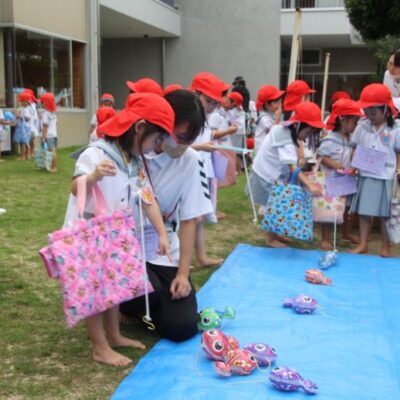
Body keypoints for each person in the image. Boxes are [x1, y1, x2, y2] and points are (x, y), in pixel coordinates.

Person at [64, 93, 174, 367]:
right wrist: (93, 176)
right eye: (156, 138)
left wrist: (161, 233)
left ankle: (113, 335)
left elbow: (147, 197)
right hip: (90, 233)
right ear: (139, 128)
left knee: (113, 286)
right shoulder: (96, 153)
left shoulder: (134, 162)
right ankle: (99, 346)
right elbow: (75, 187)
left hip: (114, 235)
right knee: (94, 291)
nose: (156, 146)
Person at [121, 89, 213, 342]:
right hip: (124, 246)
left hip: (162, 250)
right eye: (181, 136)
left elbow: (189, 218)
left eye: (191, 138)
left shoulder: (191, 160)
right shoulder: (131, 151)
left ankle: (148, 307)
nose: (184, 145)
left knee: (182, 327)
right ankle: (129, 306)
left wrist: (183, 273)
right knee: (146, 293)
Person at [248, 102, 323, 248]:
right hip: (268, 175)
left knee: (277, 203)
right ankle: (271, 238)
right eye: (307, 132)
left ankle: (276, 234)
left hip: (268, 172)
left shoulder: (284, 130)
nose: (307, 136)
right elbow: (293, 167)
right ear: (297, 125)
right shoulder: (286, 141)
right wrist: (309, 184)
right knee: (274, 204)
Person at [350, 83, 400, 257]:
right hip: (366, 174)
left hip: (386, 175)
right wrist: (353, 165)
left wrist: (399, 169)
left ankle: (386, 246)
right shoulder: (362, 126)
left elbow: (398, 151)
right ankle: (363, 243)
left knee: (385, 214)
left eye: (374, 112)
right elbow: (355, 147)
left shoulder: (395, 129)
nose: (370, 116)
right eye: (367, 112)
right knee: (365, 211)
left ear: (386, 109)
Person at [190, 72, 228, 267]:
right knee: (191, 218)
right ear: (196, 94)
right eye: (208, 101)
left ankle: (201, 257)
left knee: (199, 217)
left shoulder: (203, 117)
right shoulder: (189, 117)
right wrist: (202, 147)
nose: (212, 106)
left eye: (215, 103)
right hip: (187, 172)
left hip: (201, 170)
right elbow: (176, 149)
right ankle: (183, 260)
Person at [317, 98, 363, 250]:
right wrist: (335, 165)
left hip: (346, 180)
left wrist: (354, 165)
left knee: (347, 208)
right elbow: (321, 157)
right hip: (331, 182)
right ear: (343, 120)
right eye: (354, 122)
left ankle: (346, 233)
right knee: (329, 211)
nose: (356, 125)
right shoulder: (329, 140)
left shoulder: (350, 139)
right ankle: (325, 238)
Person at [254, 85, 285, 153]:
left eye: (280, 101)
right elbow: (273, 132)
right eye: (277, 102)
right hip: (262, 152)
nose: (280, 105)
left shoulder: (272, 115)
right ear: (267, 105)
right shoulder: (264, 118)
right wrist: (277, 118)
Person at [40, 93, 58, 173]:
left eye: (43, 102)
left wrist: (43, 137)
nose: (41, 103)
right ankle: (49, 165)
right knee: (51, 151)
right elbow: (56, 123)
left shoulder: (46, 114)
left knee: (51, 151)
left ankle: (54, 167)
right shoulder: (53, 113)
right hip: (54, 134)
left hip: (48, 135)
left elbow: (45, 126)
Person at [13, 92, 32, 160]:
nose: (20, 102)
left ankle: (23, 156)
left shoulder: (26, 109)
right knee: (25, 142)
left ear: (25, 102)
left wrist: (19, 116)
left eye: (21, 101)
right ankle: (27, 155)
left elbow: (27, 118)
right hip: (26, 127)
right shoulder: (25, 109)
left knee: (22, 142)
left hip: (24, 127)